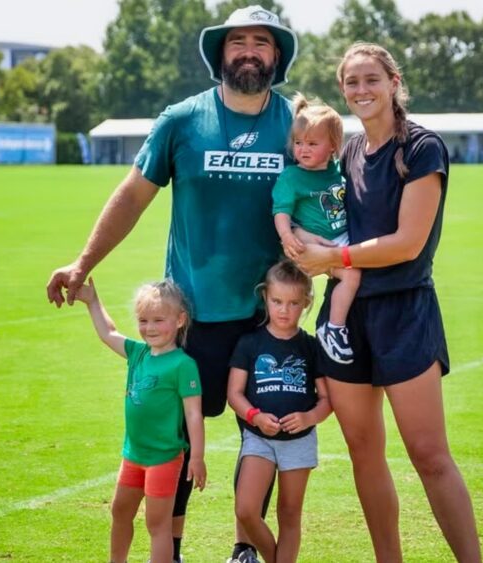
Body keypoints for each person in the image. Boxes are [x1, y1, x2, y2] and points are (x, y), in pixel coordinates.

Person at [46, 6, 298, 562]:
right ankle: (174, 547)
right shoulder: (182, 121)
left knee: (262, 438)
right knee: (174, 436)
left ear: (277, 56)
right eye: (237, 42)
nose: (249, 52)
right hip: (191, 316)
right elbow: (133, 196)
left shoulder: (297, 122)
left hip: (267, 317)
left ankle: (245, 548)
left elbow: (326, 197)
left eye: (261, 42)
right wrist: (83, 264)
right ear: (220, 54)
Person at [293, 42, 482, 562]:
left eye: (371, 79)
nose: (362, 90)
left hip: (405, 314)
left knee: (429, 454)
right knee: (364, 453)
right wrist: (300, 243)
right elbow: (310, 206)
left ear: (394, 82)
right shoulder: (347, 152)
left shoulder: (422, 148)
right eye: (351, 82)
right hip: (346, 316)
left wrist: (334, 258)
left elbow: (407, 243)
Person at [72, 278, 206, 563]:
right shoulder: (138, 353)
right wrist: (92, 301)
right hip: (133, 456)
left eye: (158, 320)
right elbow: (108, 333)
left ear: (180, 320)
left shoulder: (183, 365)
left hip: (163, 459)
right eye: (143, 321)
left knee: (157, 525)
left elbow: (194, 414)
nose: (150, 328)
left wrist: (197, 457)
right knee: (120, 512)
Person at [226, 260, 332, 563]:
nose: (284, 310)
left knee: (289, 513)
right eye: (277, 301)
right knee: (246, 509)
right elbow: (234, 394)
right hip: (258, 438)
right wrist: (255, 417)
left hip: (299, 442)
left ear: (306, 303)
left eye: (293, 303)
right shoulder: (250, 343)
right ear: (265, 297)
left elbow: (327, 399)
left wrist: (309, 418)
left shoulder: (310, 346)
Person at [272, 94, 360, 365]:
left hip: (340, 237)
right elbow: (281, 211)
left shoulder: (338, 171)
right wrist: (287, 236)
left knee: (363, 266)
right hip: (311, 245)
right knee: (352, 274)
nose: (303, 149)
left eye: (312, 143)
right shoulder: (292, 176)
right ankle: (334, 327)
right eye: (298, 143)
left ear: (333, 145)